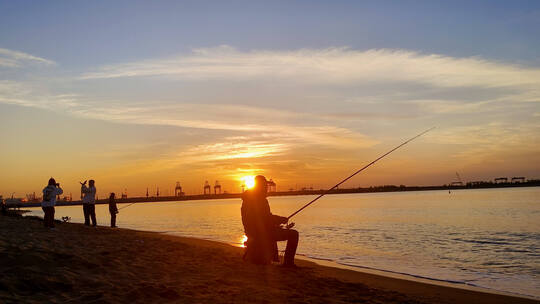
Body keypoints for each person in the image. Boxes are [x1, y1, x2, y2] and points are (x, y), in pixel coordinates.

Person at [241, 175, 299, 267]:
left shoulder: (247, 199)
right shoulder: (259, 200)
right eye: (265, 185)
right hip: (260, 233)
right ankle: (288, 263)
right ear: (260, 186)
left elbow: (262, 219)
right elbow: (266, 218)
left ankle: (276, 258)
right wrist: (281, 219)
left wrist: (276, 223)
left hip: (252, 232)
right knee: (294, 234)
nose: (266, 188)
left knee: (275, 229)